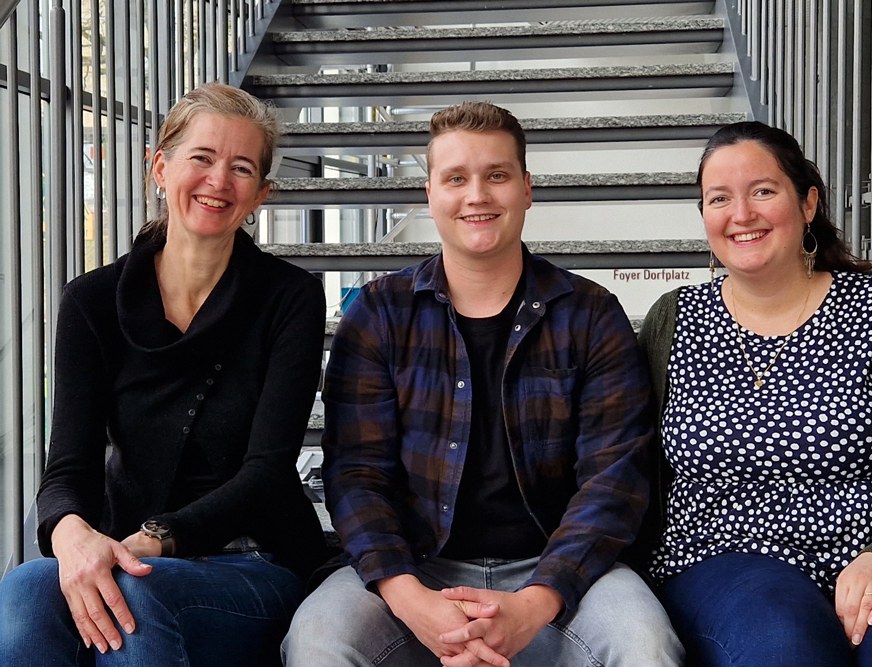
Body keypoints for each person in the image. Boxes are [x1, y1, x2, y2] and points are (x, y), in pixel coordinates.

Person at [282, 101, 682, 667]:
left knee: (644, 643)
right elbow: (356, 475)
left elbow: (615, 480)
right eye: (456, 178)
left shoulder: (590, 313)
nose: (477, 195)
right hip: (415, 567)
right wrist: (412, 599)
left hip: (559, 570)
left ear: (526, 189)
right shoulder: (379, 312)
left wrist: (535, 603)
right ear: (429, 194)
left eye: (496, 175)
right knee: (320, 640)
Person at [638, 120, 872, 666]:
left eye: (763, 191)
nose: (742, 214)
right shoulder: (674, 320)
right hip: (723, 559)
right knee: (782, 648)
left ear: (808, 203)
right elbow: (621, 463)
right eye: (719, 198)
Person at [0, 82, 328, 666]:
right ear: (160, 167)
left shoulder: (290, 297)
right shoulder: (92, 300)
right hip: (127, 550)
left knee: (138, 592)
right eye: (201, 158)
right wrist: (72, 535)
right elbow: (67, 470)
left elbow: (267, 472)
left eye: (242, 167)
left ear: (261, 195)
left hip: (253, 559)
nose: (218, 181)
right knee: (24, 591)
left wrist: (152, 540)